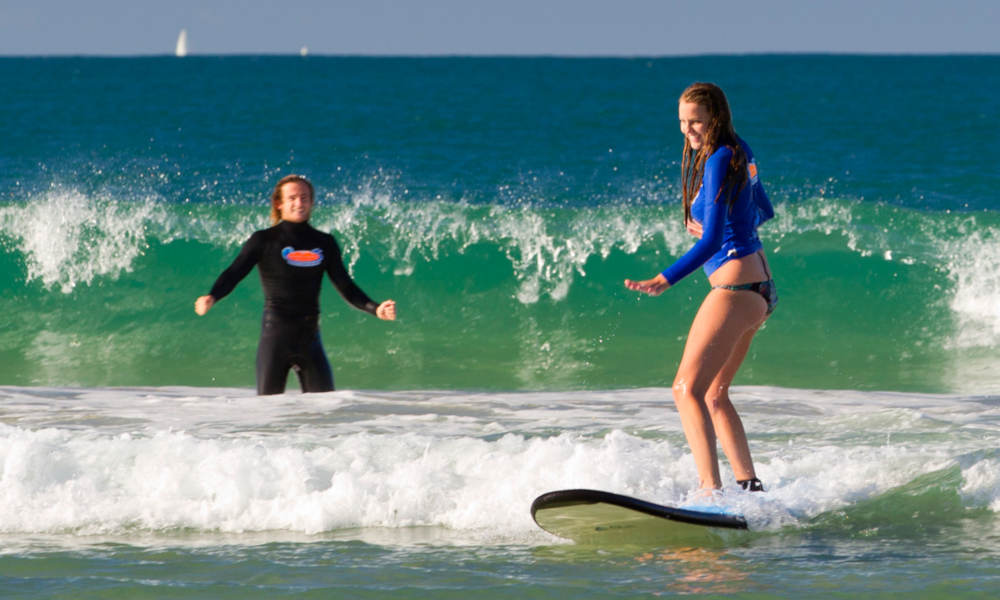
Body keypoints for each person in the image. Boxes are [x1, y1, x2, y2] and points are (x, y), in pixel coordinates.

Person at [625, 82, 776, 495]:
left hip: (735, 288)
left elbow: (710, 243)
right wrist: (730, 228)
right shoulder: (740, 150)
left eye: (696, 121)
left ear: (715, 118)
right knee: (714, 394)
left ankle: (710, 492)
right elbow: (764, 209)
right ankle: (750, 489)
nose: (689, 130)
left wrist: (665, 278)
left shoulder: (718, 158)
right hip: (758, 289)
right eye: (682, 122)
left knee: (685, 389)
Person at [195, 174, 397, 395]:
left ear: (311, 202)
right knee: (267, 413)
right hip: (275, 337)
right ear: (279, 204)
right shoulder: (264, 240)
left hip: (310, 339)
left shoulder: (324, 243)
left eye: (304, 197)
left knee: (325, 409)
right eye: (292, 198)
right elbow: (235, 272)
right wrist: (212, 296)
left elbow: (345, 286)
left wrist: (375, 308)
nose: (299, 203)